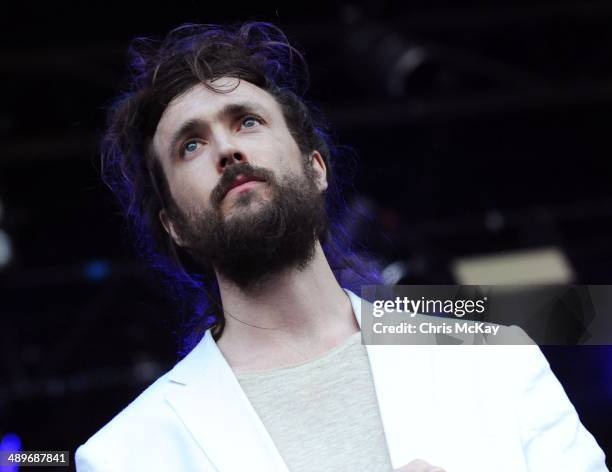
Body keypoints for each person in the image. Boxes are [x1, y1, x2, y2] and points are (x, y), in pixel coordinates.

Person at [75, 22, 607, 471]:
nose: (227, 148)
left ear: (316, 167)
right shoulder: (128, 452)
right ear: (175, 227)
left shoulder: (490, 359)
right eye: (190, 144)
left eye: (248, 121)